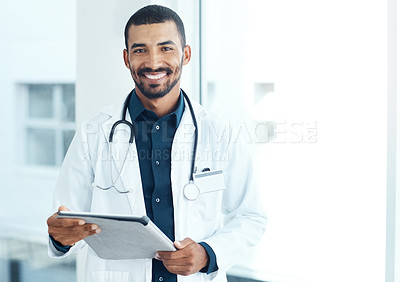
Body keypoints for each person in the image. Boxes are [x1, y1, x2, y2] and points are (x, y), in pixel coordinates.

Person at [46, 4, 267, 282]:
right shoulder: (95, 133)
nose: (153, 62)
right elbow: (68, 222)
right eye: (140, 50)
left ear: (185, 54)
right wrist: (61, 237)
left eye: (166, 48)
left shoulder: (219, 133)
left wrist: (208, 253)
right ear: (126, 59)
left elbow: (251, 216)